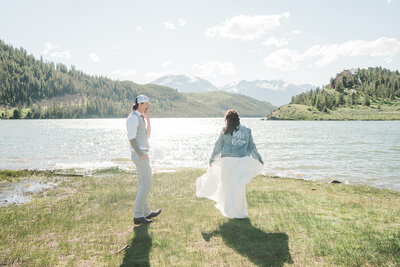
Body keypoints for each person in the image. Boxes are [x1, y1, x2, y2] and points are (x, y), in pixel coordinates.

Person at [196, 109, 263, 219]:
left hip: (227, 163)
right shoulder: (247, 131)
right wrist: (259, 159)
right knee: (238, 188)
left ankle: (230, 212)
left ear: (227, 120)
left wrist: (212, 159)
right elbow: (252, 148)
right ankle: (239, 213)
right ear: (238, 119)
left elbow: (218, 147)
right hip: (241, 163)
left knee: (226, 187)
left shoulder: (224, 131)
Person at [126, 95, 161, 225]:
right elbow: (131, 139)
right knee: (146, 184)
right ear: (140, 104)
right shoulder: (133, 118)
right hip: (139, 155)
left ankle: (146, 212)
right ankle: (138, 215)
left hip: (143, 154)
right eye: (146, 104)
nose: (148, 107)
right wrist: (141, 154)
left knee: (143, 184)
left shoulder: (140, 117)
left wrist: (148, 119)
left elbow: (147, 135)